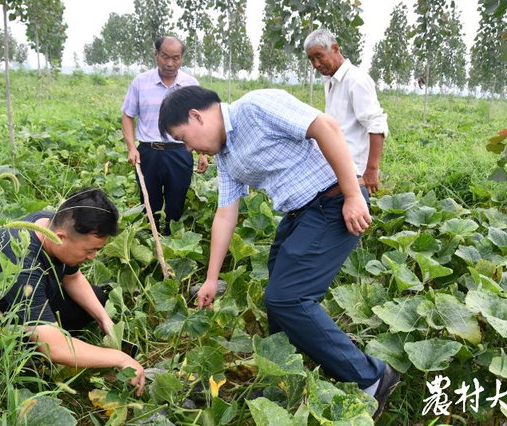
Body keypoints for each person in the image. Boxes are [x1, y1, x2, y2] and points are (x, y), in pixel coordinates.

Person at [158, 86, 400, 420]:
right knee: (279, 296)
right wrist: (211, 279)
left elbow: (325, 126)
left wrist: (353, 194)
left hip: (333, 202)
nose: (189, 148)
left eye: (184, 138)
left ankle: (372, 377)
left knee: (287, 298)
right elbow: (225, 213)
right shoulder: (225, 155)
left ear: (196, 116)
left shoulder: (255, 107)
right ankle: (283, 375)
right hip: (300, 214)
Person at [0, 188, 145, 395]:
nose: (92, 257)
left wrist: (103, 319)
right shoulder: (22, 264)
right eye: (89, 250)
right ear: (60, 237)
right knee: (46, 348)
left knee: (97, 299)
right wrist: (120, 358)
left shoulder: (48, 223)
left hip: (24, 302)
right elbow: (54, 347)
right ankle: (25, 360)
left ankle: (49, 340)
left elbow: (73, 277)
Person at [121, 36, 208, 235]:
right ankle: (151, 241)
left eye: (176, 58)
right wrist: (132, 148)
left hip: (180, 151)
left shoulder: (191, 84)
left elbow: (200, 121)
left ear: (182, 58)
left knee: (176, 202)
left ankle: (171, 242)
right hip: (148, 152)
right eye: (165, 57)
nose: (170, 63)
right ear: (156, 55)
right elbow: (127, 115)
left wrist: (202, 152)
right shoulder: (141, 83)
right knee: (149, 203)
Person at [305, 28, 388, 195]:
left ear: (335, 49)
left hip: (354, 173)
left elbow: (376, 124)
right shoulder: (330, 80)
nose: (316, 64)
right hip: (337, 170)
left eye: (319, 56)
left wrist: (371, 170)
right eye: (311, 59)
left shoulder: (356, 80)